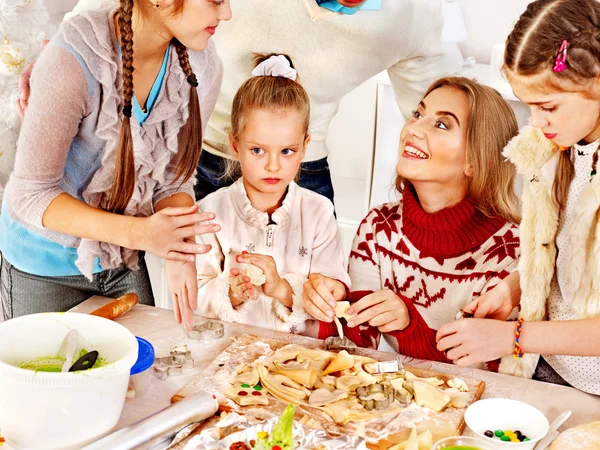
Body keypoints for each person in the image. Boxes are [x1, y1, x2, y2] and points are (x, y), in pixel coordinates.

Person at [18, 0, 450, 206]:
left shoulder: (416, 17)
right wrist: (67, 46)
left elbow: (451, 113)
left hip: (299, 169)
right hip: (194, 151)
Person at [0, 0, 231, 330]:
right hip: (42, 267)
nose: (227, 14)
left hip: (123, 259)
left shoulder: (203, 67)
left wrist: (180, 250)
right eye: (216, 1)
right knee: (53, 379)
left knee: (144, 378)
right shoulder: (74, 59)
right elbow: (30, 195)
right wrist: (141, 234)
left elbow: (174, 180)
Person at [436, 0, 600, 395]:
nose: (535, 123)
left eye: (548, 107)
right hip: (550, 372)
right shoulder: (557, 148)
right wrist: (513, 288)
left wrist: (513, 337)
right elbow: (561, 253)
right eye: (529, 106)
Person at [305, 77, 521, 369]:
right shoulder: (378, 228)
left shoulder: (512, 251)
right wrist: (318, 303)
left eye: (442, 124)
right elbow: (355, 346)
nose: (413, 128)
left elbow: (495, 377)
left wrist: (409, 326)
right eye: (418, 114)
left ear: (476, 160)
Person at [193, 54, 350, 334]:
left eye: (287, 151)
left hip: (299, 365)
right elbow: (194, 294)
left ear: (305, 147)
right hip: (227, 362)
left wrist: (282, 288)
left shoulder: (318, 212)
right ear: (235, 144)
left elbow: (333, 295)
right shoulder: (209, 213)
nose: (273, 165)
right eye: (258, 150)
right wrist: (231, 293)